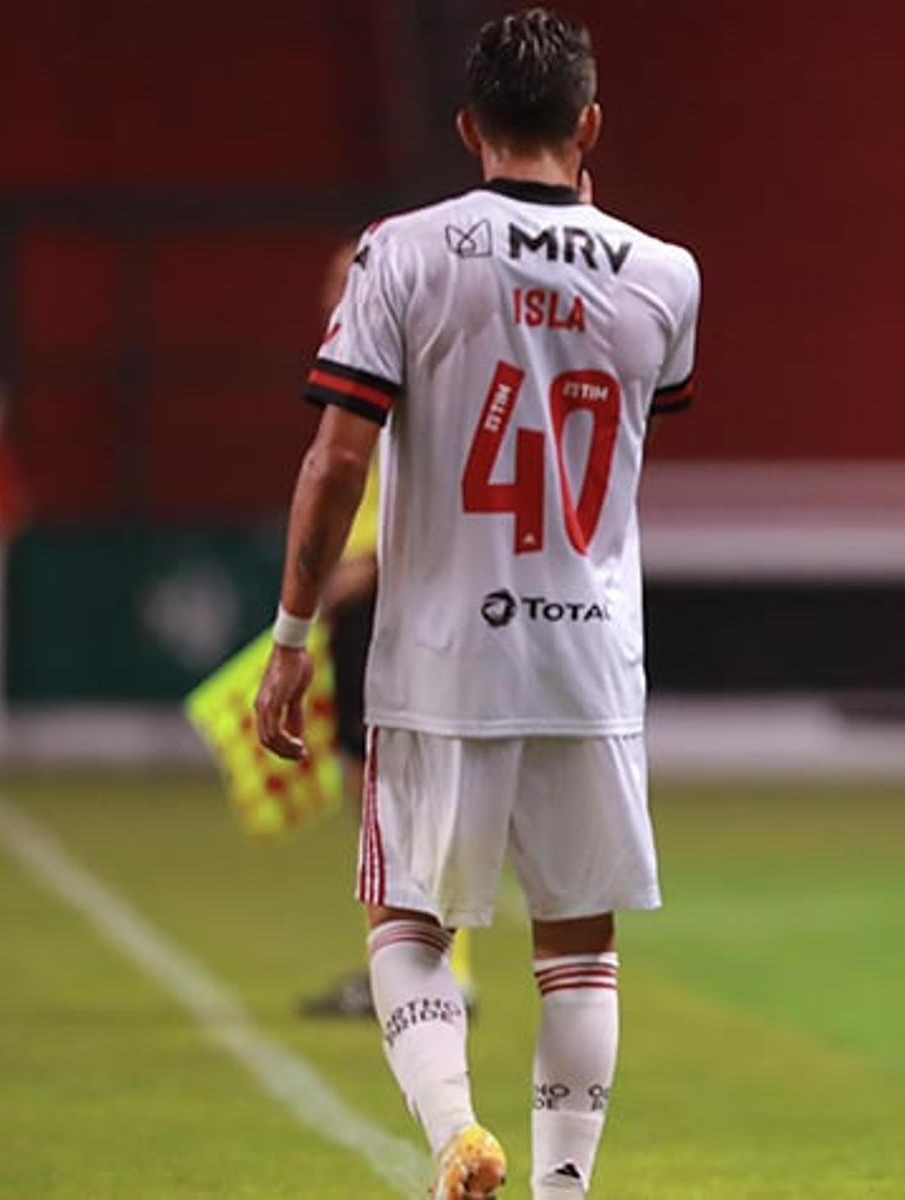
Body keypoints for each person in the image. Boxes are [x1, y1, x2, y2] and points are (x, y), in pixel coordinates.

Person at [254, 10, 700, 1199]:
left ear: (469, 127)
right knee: (581, 949)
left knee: (404, 917)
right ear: (590, 123)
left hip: (445, 650)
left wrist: (294, 634)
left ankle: (457, 1131)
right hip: (591, 655)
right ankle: (563, 1189)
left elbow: (337, 461)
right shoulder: (667, 273)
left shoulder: (400, 251)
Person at [299, 239, 480, 1022]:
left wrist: (365, 565)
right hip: (362, 605)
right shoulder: (363, 368)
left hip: (398, 602)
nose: (335, 292)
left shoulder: (416, 375)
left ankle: (443, 972)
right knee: (374, 799)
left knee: (409, 796)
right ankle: (403, 968)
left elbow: (443, 495)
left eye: (349, 278)